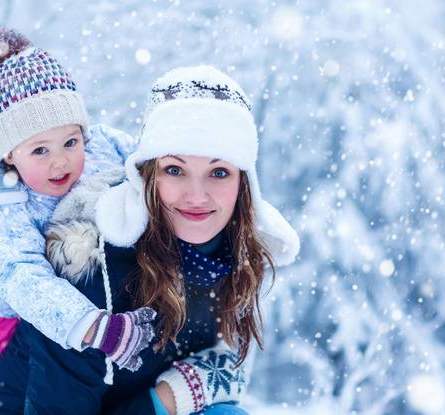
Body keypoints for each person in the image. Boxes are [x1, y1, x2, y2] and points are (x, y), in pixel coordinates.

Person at [23, 65, 300, 414]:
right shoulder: (92, 267)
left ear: (243, 185)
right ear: (148, 176)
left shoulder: (234, 258)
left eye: (218, 172)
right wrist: (168, 398)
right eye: (175, 170)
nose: (196, 195)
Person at [0, 28, 156, 409]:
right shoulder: (5, 204)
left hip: (85, 295)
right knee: (7, 399)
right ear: (10, 155)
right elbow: (21, 274)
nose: (60, 161)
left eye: (70, 142)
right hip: (6, 320)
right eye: (40, 150)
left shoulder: (106, 146)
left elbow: (155, 169)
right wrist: (92, 326)